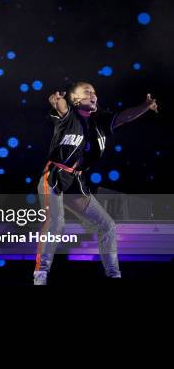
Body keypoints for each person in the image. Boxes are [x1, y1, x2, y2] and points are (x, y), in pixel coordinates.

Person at [34, 81, 158, 285]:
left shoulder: (99, 122)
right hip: (54, 176)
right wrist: (59, 101)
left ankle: (114, 274)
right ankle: (41, 274)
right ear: (75, 99)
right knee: (56, 222)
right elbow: (62, 106)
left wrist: (145, 106)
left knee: (107, 225)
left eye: (95, 92)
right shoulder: (68, 116)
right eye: (87, 92)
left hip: (76, 181)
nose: (94, 95)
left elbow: (124, 117)